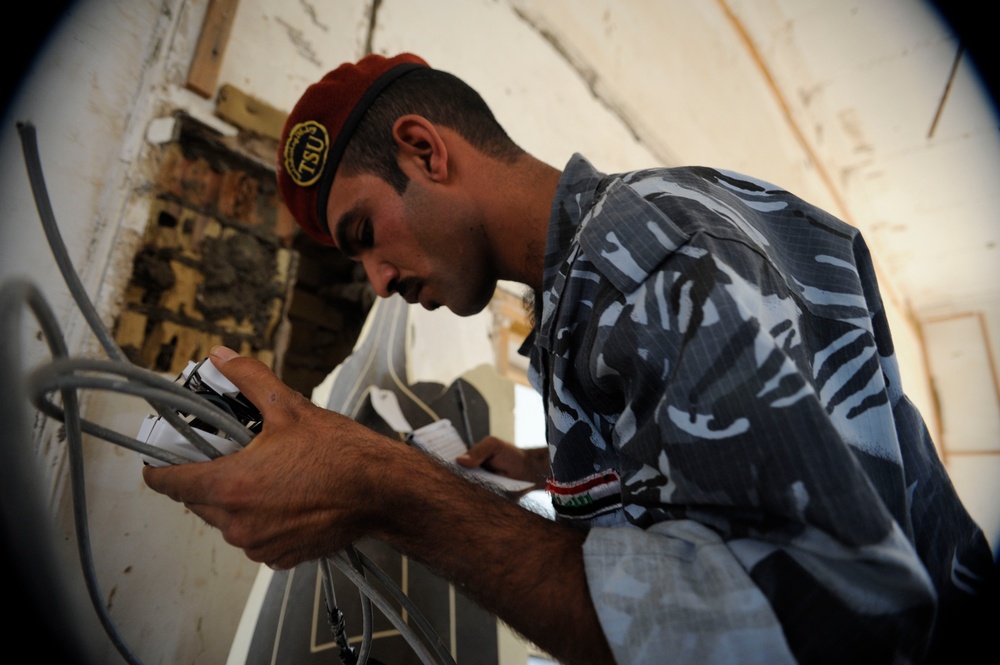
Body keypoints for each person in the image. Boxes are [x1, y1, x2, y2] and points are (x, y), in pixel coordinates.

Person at [143, 53, 996, 664]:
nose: (378, 281)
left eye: (365, 235)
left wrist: (386, 489)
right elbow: (713, 455)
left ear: (425, 150)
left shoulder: (645, 256)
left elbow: (833, 624)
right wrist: (551, 469)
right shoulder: (595, 283)